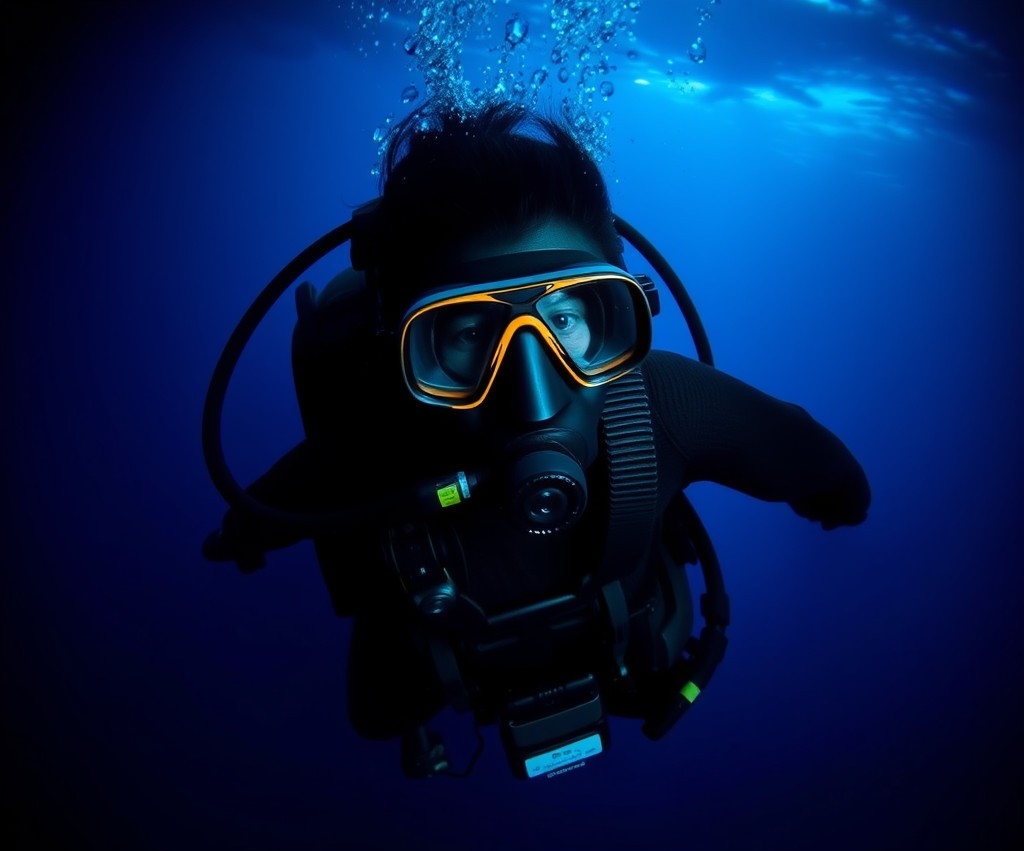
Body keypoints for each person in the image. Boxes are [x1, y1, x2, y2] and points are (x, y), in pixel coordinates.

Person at [203, 101, 870, 779]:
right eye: (468, 333)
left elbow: (815, 460)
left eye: (565, 316)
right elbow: (265, 513)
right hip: (446, 655)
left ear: (614, 315)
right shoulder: (377, 446)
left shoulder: (667, 404)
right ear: (411, 346)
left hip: (616, 643)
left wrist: (837, 494)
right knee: (376, 716)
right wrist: (840, 500)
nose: (533, 389)